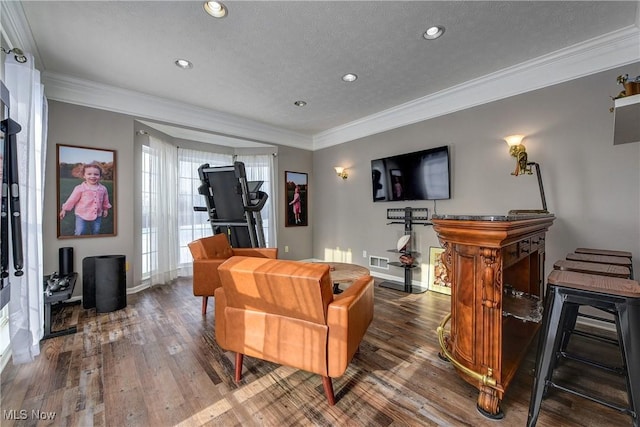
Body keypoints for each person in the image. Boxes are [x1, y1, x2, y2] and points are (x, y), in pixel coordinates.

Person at [59, 162, 112, 236]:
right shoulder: (80, 188)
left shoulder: (103, 189)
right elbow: (72, 200)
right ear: (84, 175)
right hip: (81, 214)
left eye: (96, 174)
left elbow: (105, 200)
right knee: (80, 231)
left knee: (96, 231)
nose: (93, 176)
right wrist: (64, 209)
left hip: (97, 214)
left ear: (100, 176)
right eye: (89, 174)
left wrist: (105, 209)